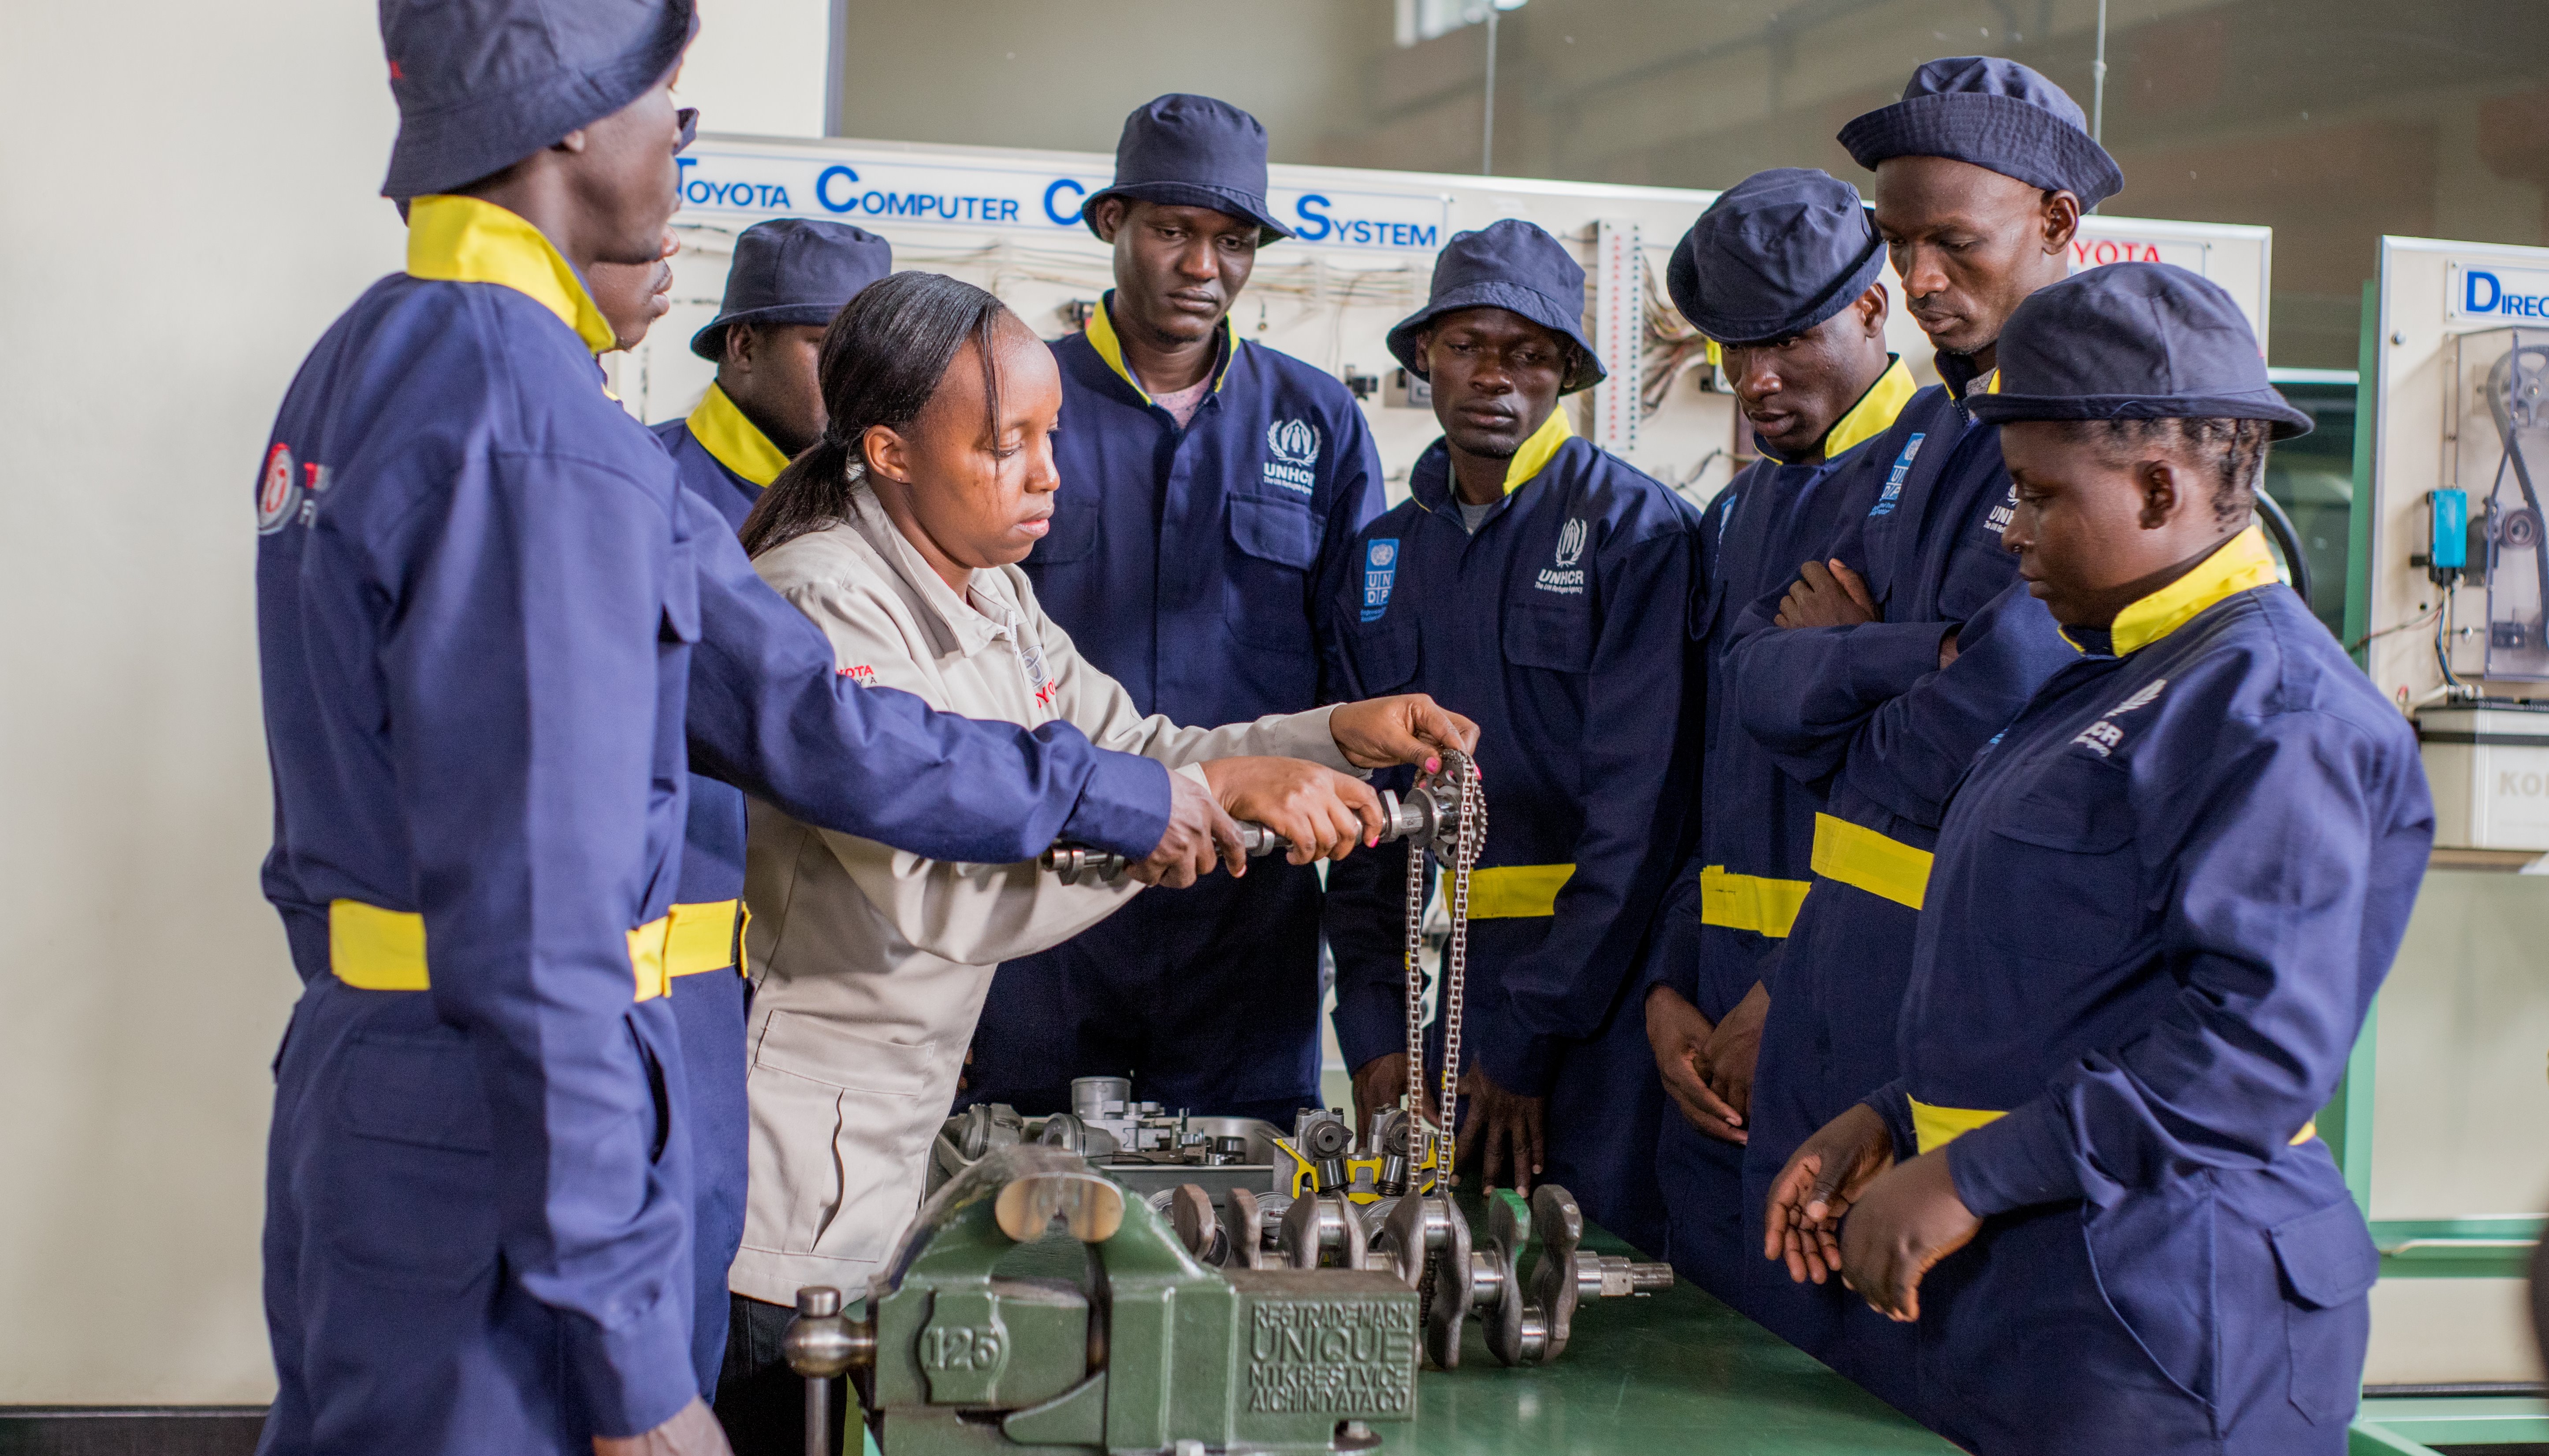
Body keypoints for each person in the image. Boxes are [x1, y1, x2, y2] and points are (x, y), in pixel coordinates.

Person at [253, 7, 1234, 1451]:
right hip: (498, 1150)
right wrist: (630, 1360)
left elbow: (801, 716)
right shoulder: (530, 428)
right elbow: (541, 929)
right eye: (671, 103)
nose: (682, 142)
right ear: (574, 119)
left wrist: (1127, 794)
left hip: (415, 1112)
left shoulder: (396, 362)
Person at [707, 270, 1476, 1445]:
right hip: (781, 1181)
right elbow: (943, 899)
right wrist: (1171, 819)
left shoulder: (992, 594)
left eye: (1048, 436)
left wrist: (1325, 733)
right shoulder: (824, 599)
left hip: (876, 1158)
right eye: (1003, 445)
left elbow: (1141, 748)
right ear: (890, 452)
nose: (1046, 475)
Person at [1765, 261, 2427, 1455]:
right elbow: (2057, 979)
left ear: (2160, 486)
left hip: (2170, 1308)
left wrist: (1967, 1177)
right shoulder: (2107, 679)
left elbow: (2246, 1052)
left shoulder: (2269, 710)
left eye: (2034, 496)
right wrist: (1893, 1117)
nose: (2010, 534)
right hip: (2048, 1291)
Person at [1716, 56, 2112, 1411]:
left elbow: (1991, 698)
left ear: (2058, 224)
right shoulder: (1937, 436)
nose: (1924, 277)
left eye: (1957, 240)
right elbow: (1756, 685)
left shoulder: (2098, 445)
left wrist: (1845, 682)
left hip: (1964, 1003)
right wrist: (1874, 669)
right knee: (1810, 1380)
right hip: (1847, 972)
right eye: (1898, 243)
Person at [967, 94, 1387, 1127]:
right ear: (1113, 223)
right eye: (1173, 231)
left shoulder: (1317, 421)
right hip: (1049, 904)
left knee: (1245, 1226)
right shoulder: (1025, 402)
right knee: (1021, 1214)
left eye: (1232, 239)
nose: (1204, 266)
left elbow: (1354, 674)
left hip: (1245, 922)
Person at [1321, 220, 1697, 1253]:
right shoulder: (1380, 558)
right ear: (1422, 360)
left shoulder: (1636, 533)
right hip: (1420, 1008)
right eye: (1466, 347)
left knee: (1578, 1277)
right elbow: (1363, 821)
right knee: (1416, 1281)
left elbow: (1640, 820)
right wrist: (1370, 1031)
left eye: (1530, 353)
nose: (1496, 377)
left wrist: (1528, 1042)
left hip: (1588, 1014)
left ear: (1568, 373)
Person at [1634, 167, 1915, 1324]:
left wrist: (1789, 991)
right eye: (1729, 349)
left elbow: (1935, 793)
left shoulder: (1939, 483)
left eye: (1786, 342)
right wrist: (1663, 989)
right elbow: (1701, 790)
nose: (1752, 382)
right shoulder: (1735, 516)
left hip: (1853, 1035)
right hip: (1710, 1047)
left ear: (1869, 310)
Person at [652, 216, 891, 1404]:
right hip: (687, 987)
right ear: (739, 345)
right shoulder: (647, 489)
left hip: (844, 990)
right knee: (701, 1337)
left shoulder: (888, 514)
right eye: (826, 348)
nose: (853, 388)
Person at [659, 217, 893, 529]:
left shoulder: (893, 499)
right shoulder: (641, 477)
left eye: (868, 354)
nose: (855, 378)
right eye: (827, 347)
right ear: (744, 347)